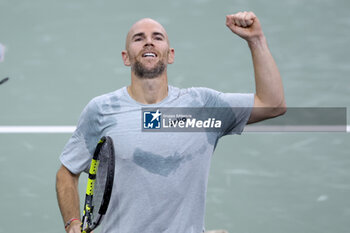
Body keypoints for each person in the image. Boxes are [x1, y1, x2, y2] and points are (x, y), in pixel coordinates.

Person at [56, 11, 286, 233]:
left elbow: (273, 104)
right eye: (139, 38)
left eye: (157, 37)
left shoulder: (203, 107)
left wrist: (256, 40)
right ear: (126, 57)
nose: (148, 42)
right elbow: (66, 172)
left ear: (170, 54)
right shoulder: (102, 110)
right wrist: (72, 221)